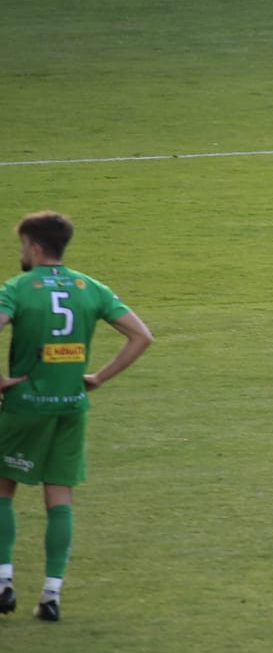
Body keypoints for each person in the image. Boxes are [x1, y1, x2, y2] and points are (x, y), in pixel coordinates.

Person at [0, 211, 155, 624]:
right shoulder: (91, 287)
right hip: (71, 406)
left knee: (3, 489)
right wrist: (99, 377)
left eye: (21, 246)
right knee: (59, 498)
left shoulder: (18, 287)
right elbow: (142, 336)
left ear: (34, 246)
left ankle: (3, 581)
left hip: (24, 407)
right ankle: (51, 594)